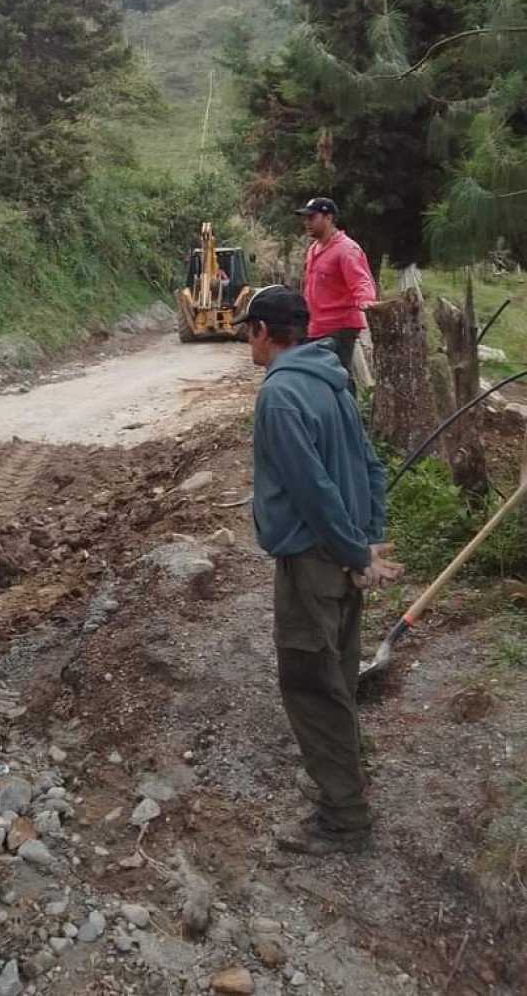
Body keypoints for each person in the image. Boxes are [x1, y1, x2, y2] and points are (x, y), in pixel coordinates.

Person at [234, 285, 403, 855]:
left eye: (247, 332)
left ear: (263, 331)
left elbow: (314, 492)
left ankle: (344, 818)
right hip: (343, 559)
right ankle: (349, 779)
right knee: (340, 675)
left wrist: (357, 555)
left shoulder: (279, 397)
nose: (246, 343)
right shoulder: (334, 382)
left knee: (311, 685)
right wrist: (368, 543)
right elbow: (371, 469)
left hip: (312, 564)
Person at [296, 197, 377, 378]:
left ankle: (347, 407)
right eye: (305, 218)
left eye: (312, 217)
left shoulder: (346, 249)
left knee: (338, 375)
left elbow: (361, 280)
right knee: (316, 376)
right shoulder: (313, 249)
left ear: (329, 218)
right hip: (316, 325)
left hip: (339, 326)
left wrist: (365, 301)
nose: (307, 222)